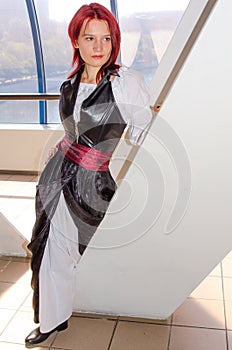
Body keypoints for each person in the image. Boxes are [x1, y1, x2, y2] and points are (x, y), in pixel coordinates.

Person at [25, 2, 153, 347]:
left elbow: (143, 131)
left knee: (61, 249)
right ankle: (53, 319)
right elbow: (70, 131)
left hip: (91, 183)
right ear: (76, 42)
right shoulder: (69, 84)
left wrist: (152, 112)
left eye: (107, 39)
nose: (99, 47)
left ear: (115, 42)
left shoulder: (126, 82)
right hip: (56, 175)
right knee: (51, 247)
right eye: (90, 38)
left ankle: (54, 318)